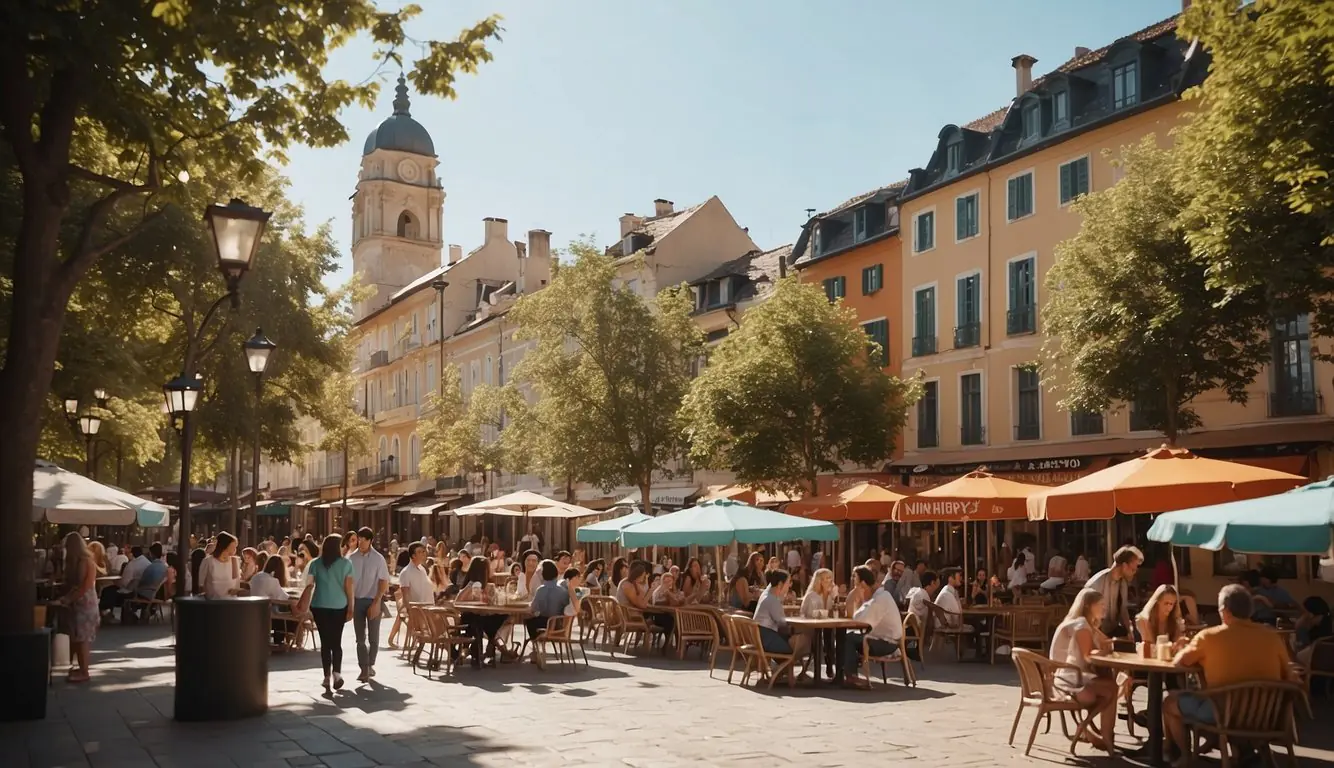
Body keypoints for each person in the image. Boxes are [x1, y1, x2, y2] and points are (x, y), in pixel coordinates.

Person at [1164, 585, 1296, 762]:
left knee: (1170, 702)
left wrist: (1183, 647)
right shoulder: (1272, 637)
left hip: (1225, 714)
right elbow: (1291, 676)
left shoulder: (1209, 637)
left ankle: (1185, 756)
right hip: (1266, 716)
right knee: (1206, 702)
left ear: (1225, 611)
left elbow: (1179, 662)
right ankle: (1239, 749)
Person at [1049, 589, 1119, 753]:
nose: (1104, 608)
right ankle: (1105, 737)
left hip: (1065, 679)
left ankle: (1093, 731)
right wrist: (1105, 650)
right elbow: (1088, 657)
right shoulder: (1081, 626)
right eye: (1100, 605)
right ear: (1088, 606)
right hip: (1069, 684)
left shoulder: (1082, 623)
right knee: (1112, 688)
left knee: (1111, 683)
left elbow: (1106, 642)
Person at [306, 534, 355, 692]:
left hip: (319, 605)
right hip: (339, 605)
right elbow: (349, 588)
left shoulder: (315, 564)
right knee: (336, 642)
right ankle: (337, 674)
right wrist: (351, 607)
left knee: (325, 642)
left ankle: (326, 676)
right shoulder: (346, 564)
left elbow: (309, 586)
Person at [842, 565, 903, 689]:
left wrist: (854, 598)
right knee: (849, 637)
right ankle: (845, 673)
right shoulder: (878, 597)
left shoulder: (879, 600)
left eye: (857, 585)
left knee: (847, 637)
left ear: (863, 584)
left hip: (886, 644)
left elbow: (858, 620)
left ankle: (851, 676)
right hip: (885, 640)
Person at [347, 527, 390, 683]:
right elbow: (348, 581)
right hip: (357, 600)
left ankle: (370, 664)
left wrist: (377, 602)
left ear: (371, 541)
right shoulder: (351, 558)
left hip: (373, 600)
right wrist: (349, 602)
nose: (361, 542)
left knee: (374, 637)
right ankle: (363, 667)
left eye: (365, 539)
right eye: (360, 539)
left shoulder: (378, 559)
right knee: (360, 638)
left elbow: (383, 581)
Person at [55, 532, 99, 683]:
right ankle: (80, 668)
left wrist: (68, 599)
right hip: (82, 603)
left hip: (84, 604)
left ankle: (84, 671)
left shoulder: (85, 561)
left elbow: (83, 586)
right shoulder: (83, 560)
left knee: (82, 639)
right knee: (78, 637)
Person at [456, 557, 506, 667]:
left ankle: (490, 644)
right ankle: (489, 646)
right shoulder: (470, 584)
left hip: (483, 616)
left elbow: (493, 603)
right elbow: (458, 601)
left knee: (503, 616)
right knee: (477, 620)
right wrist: (471, 586)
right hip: (469, 618)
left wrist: (490, 597)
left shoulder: (489, 585)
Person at [753, 569, 810, 662]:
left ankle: (783, 671)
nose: (789, 586)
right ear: (780, 584)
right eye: (788, 583)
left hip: (761, 636)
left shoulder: (767, 594)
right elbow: (782, 624)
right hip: (766, 639)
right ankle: (784, 672)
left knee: (795, 640)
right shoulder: (772, 600)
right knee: (800, 643)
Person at [1085, 546, 1143, 637]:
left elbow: (1123, 610)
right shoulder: (1096, 584)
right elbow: (1087, 618)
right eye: (1133, 569)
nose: (1135, 572)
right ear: (1124, 566)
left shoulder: (1122, 583)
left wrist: (1129, 631)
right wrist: (1102, 640)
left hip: (1112, 631)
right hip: (1095, 633)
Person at [617, 560, 674, 646]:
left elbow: (643, 599)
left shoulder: (632, 583)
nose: (643, 578)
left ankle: (666, 645)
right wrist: (651, 590)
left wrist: (642, 587)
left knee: (666, 617)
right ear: (637, 575)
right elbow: (642, 605)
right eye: (643, 576)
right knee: (668, 619)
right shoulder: (627, 585)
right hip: (632, 615)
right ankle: (666, 647)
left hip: (634, 613)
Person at [526, 560, 569, 670]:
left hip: (544, 622)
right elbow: (566, 608)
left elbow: (533, 608)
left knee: (529, 621)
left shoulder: (541, 590)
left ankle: (535, 648)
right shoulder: (563, 591)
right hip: (558, 624)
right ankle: (537, 649)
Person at [100, 545, 149, 618]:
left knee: (107, 591)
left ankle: (105, 612)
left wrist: (116, 582)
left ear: (132, 554)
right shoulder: (147, 563)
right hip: (142, 590)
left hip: (130, 591)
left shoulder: (132, 564)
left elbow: (124, 583)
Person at [198, 531, 241, 599]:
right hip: (212, 603)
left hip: (231, 602)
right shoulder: (208, 561)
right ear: (225, 545)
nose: (235, 549)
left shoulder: (234, 561)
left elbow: (237, 584)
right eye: (233, 546)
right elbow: (200, 584)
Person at [1294, 596, 1332, 668]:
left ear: (1311, 614)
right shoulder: (1326, 628)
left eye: (1303, 613)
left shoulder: (1319, 642)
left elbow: (1298, 658)